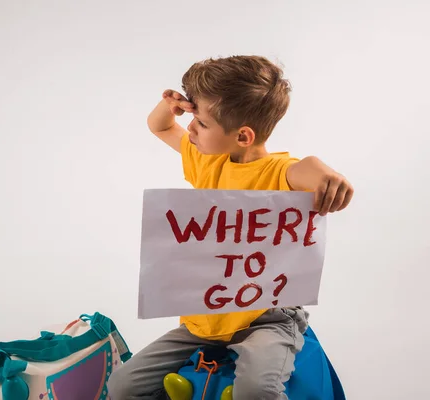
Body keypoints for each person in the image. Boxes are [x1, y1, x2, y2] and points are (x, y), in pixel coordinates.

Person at [106, 55, 354, 400]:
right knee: (122, 385)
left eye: (201, 123)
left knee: (255, 390)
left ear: (242, 136)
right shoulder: (206, 161)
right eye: (193, 118)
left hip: (266, 317)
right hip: (204, 321)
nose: (190, 129)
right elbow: (160, 126)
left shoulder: (278, 172)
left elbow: (305, 173)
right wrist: (171, 105)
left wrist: (324, 172)